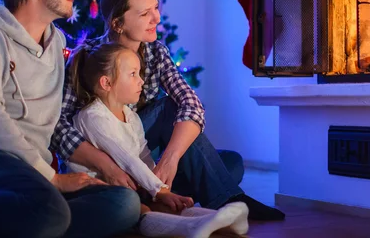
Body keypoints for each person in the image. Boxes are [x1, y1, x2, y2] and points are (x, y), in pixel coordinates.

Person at [52, 0, 285, 221]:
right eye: (145, 14)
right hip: (102, 159)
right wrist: (106, 165)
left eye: (155, 8)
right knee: (167, 109)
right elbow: (58, 126)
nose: (157, 18)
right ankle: (222, 199)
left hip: (143, 153)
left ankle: (157, 195)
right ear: (118, 23)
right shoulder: (87, 58)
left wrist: (169, 160)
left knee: (231, 163)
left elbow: (191, 103)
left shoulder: (155, 52)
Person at [0, 0, 141, 237]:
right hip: (2, 161)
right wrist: (53, 178)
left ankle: (42, 222)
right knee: (51, 211)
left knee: (125, 203)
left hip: (37, 171)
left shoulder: (57, 41)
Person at [65, 42, 250, 237]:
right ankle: (192, 226)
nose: (141, 81)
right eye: (133, 74)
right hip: (99, 189)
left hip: (133, 183)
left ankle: (217, 219)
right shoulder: (93, 118)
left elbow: (143, 155)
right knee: (138, 205)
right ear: (107, 83)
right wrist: (160, 191)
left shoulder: (131, 115)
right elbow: (127, 160)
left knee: (157, 202)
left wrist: (155, 190)